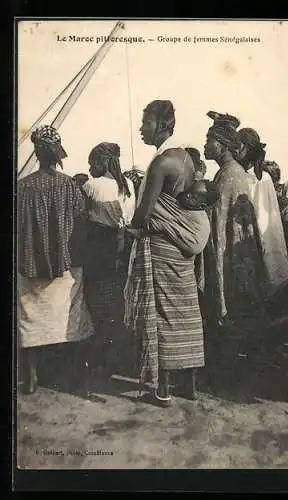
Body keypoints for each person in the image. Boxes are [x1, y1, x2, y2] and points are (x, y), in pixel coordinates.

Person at [124, 100, 209, 406]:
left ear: (162, 125)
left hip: (161, 246)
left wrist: (129, 228)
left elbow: (145, 214)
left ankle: (163, 389)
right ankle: (190, 385)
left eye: (145, 123)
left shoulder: (161, 162)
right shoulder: (184, 157)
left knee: (161, 314)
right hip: (182, 250)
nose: (141, 129)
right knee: (185, 313)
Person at [17, 125, 95, 395]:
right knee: (70, 322)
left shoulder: (22, 188)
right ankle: (76, 379)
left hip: (29, 267)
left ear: (37, 153)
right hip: (65, 265)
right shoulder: (69, 185)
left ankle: (31, 378)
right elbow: (80, 222)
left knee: (31, 321)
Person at [203, 112, 267, 327]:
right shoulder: (228, 173)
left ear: (222, 145)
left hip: (232, 266)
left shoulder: (230, 176)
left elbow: (224, 233)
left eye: (208, 140)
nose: (205, 145)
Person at [82, 142, 136, 374]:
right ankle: (112, 358)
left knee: (96, 302)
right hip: (123, 249)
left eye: (92, 162)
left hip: (99, 247)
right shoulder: (130, 185)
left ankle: (94, 358)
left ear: (102, 162)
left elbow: (81, 217)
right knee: (116, 303)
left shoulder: (91, 185)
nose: (90, 166)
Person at [237, 128, 288, 299]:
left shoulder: (261, 178)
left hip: (258, 239)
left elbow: (266, 222)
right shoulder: (245, 175)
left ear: (246, 148)